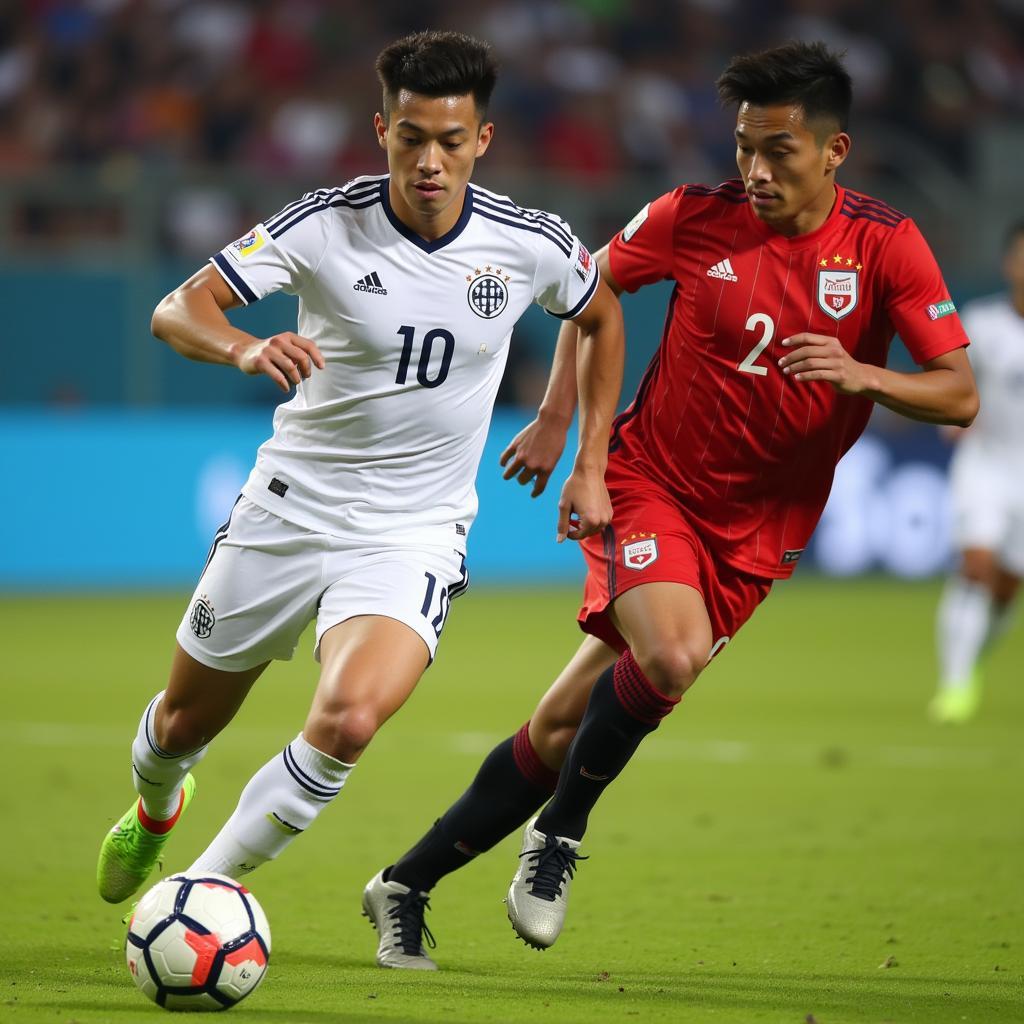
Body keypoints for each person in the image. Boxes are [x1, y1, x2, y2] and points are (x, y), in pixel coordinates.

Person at [360, 39, 979, 970]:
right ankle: (558, 837)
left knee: (566, 722)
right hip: (656, 484)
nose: (756, 171)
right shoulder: (695, 218)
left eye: (779, 151)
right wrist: (569, 430)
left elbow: (958, 392)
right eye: (743, 148)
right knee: (673, 654)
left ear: (835, 152)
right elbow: (588, 292)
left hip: (763, 528)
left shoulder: (886, 244)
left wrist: (861, 373)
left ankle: (403, 885)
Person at [95, 30, 624, 910]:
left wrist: (570, 434)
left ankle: (199, 890)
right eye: (410, 137)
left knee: (347, 722)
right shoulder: (323, 225)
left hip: (412, 531)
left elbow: (600, 314)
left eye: (450, 141)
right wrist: (245, 346)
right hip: (289, 508)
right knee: (181, 725)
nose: (428, 160)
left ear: (481, 142)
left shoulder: (527, 242)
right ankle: (156, 809)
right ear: (381, 130)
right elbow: (176, 308)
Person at [929, 221, 1024, 723]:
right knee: (976, 566)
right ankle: (955, 684)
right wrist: (955, 416)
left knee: (1007, 588)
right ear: (1009, 263)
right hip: (985, 465)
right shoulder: (984, 323)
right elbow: (954, 382)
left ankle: (972, 663)